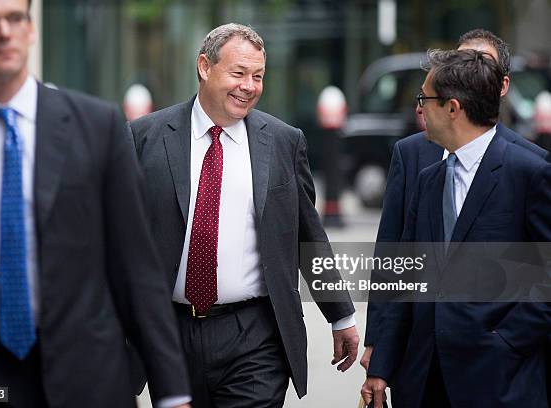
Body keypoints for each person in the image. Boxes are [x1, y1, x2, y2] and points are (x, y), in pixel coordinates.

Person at [0, 1, 190, 407]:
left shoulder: (98, 127)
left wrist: (173, 391)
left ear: (31, 27)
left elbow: (137, 269)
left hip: (88, 376)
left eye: (15, 17)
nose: (4, 31)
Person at [128, 23, 359, 407]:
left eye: (258, 76)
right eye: (238, 73)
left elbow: (307, 237)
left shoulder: (284, 142)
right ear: (205, 67)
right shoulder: (144, 138)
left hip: (255, 334)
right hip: (169, 332)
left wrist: (341, 315)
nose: (249, 86)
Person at [360, 28, 551, 406]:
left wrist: (505, 341)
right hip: (424, 379)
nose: (419, 108)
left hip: (499, 382)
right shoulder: (428, 179)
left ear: (452, 108)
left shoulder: (530, 171)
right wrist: (380, 364)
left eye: (424, 99)